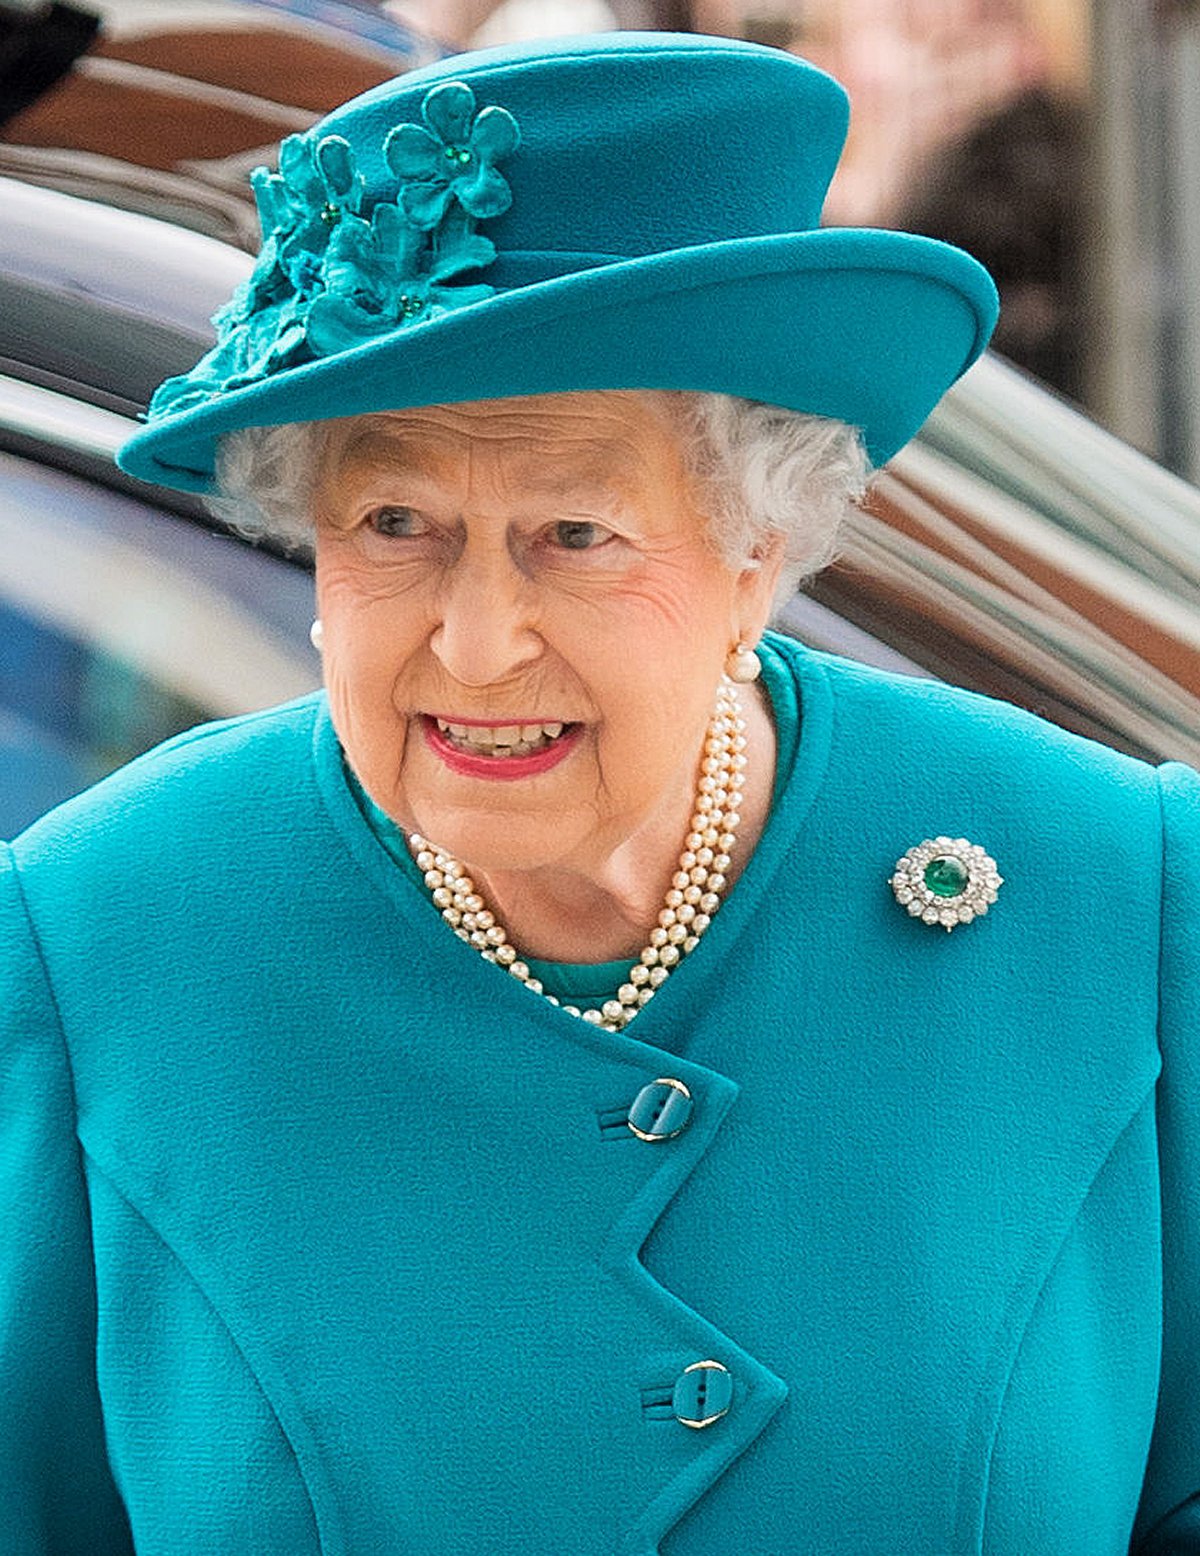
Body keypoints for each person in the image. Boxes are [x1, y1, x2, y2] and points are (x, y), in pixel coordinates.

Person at [2, 30, 1197, 1556]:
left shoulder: (1122, 895)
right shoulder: (96, 943)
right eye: (393, 521)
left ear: (757, 549)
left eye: (574, 530)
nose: (478, 642)